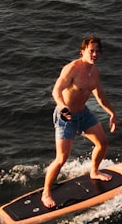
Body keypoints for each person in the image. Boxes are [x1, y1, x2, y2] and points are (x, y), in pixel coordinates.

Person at [42, 35, 117, 208]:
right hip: (65, 117)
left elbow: (100, 96)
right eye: (91, 51)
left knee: (103, 143)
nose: (95, 54)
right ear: (82, 51)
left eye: (98, 51)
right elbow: (56, 90)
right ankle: (46, 192)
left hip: (83, 114)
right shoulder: (72, 69)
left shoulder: (95, 72)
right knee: (61, 158)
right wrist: (62, 107)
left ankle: (94, 171)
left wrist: (112, 113)